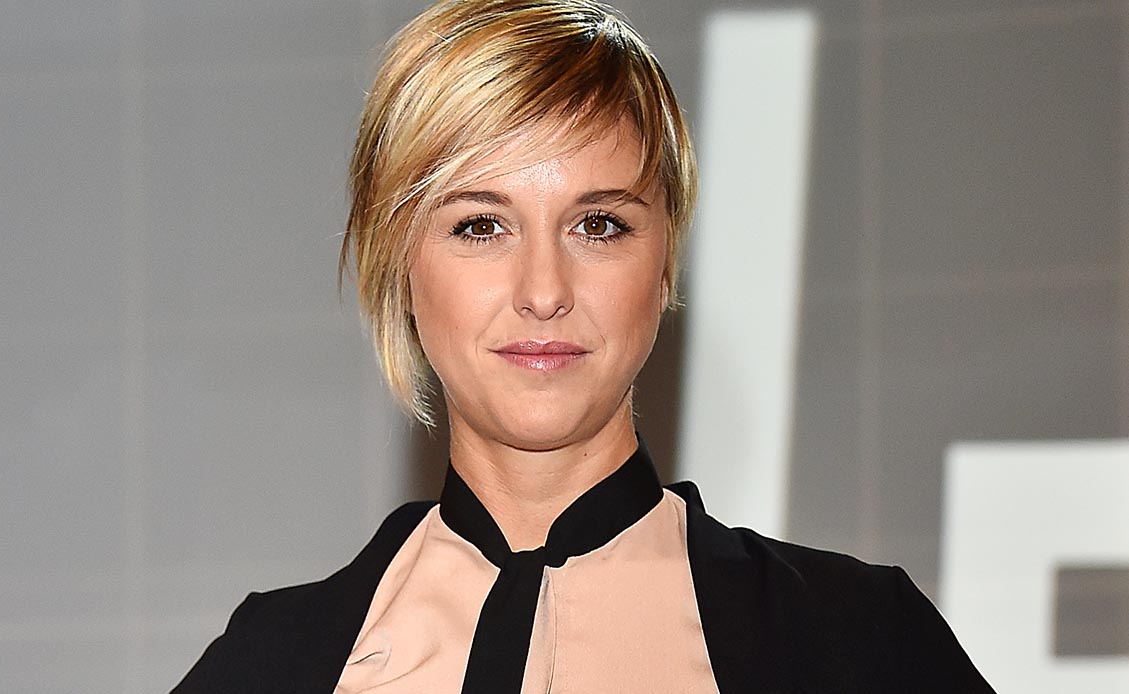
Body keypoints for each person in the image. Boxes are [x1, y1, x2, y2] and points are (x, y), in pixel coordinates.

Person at [172, 1, 994, 692]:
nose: (543, 290)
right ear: (400, 267)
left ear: (663, 263)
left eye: (598, 225)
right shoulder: (267, 665)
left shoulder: (857, 642)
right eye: (480, 226)